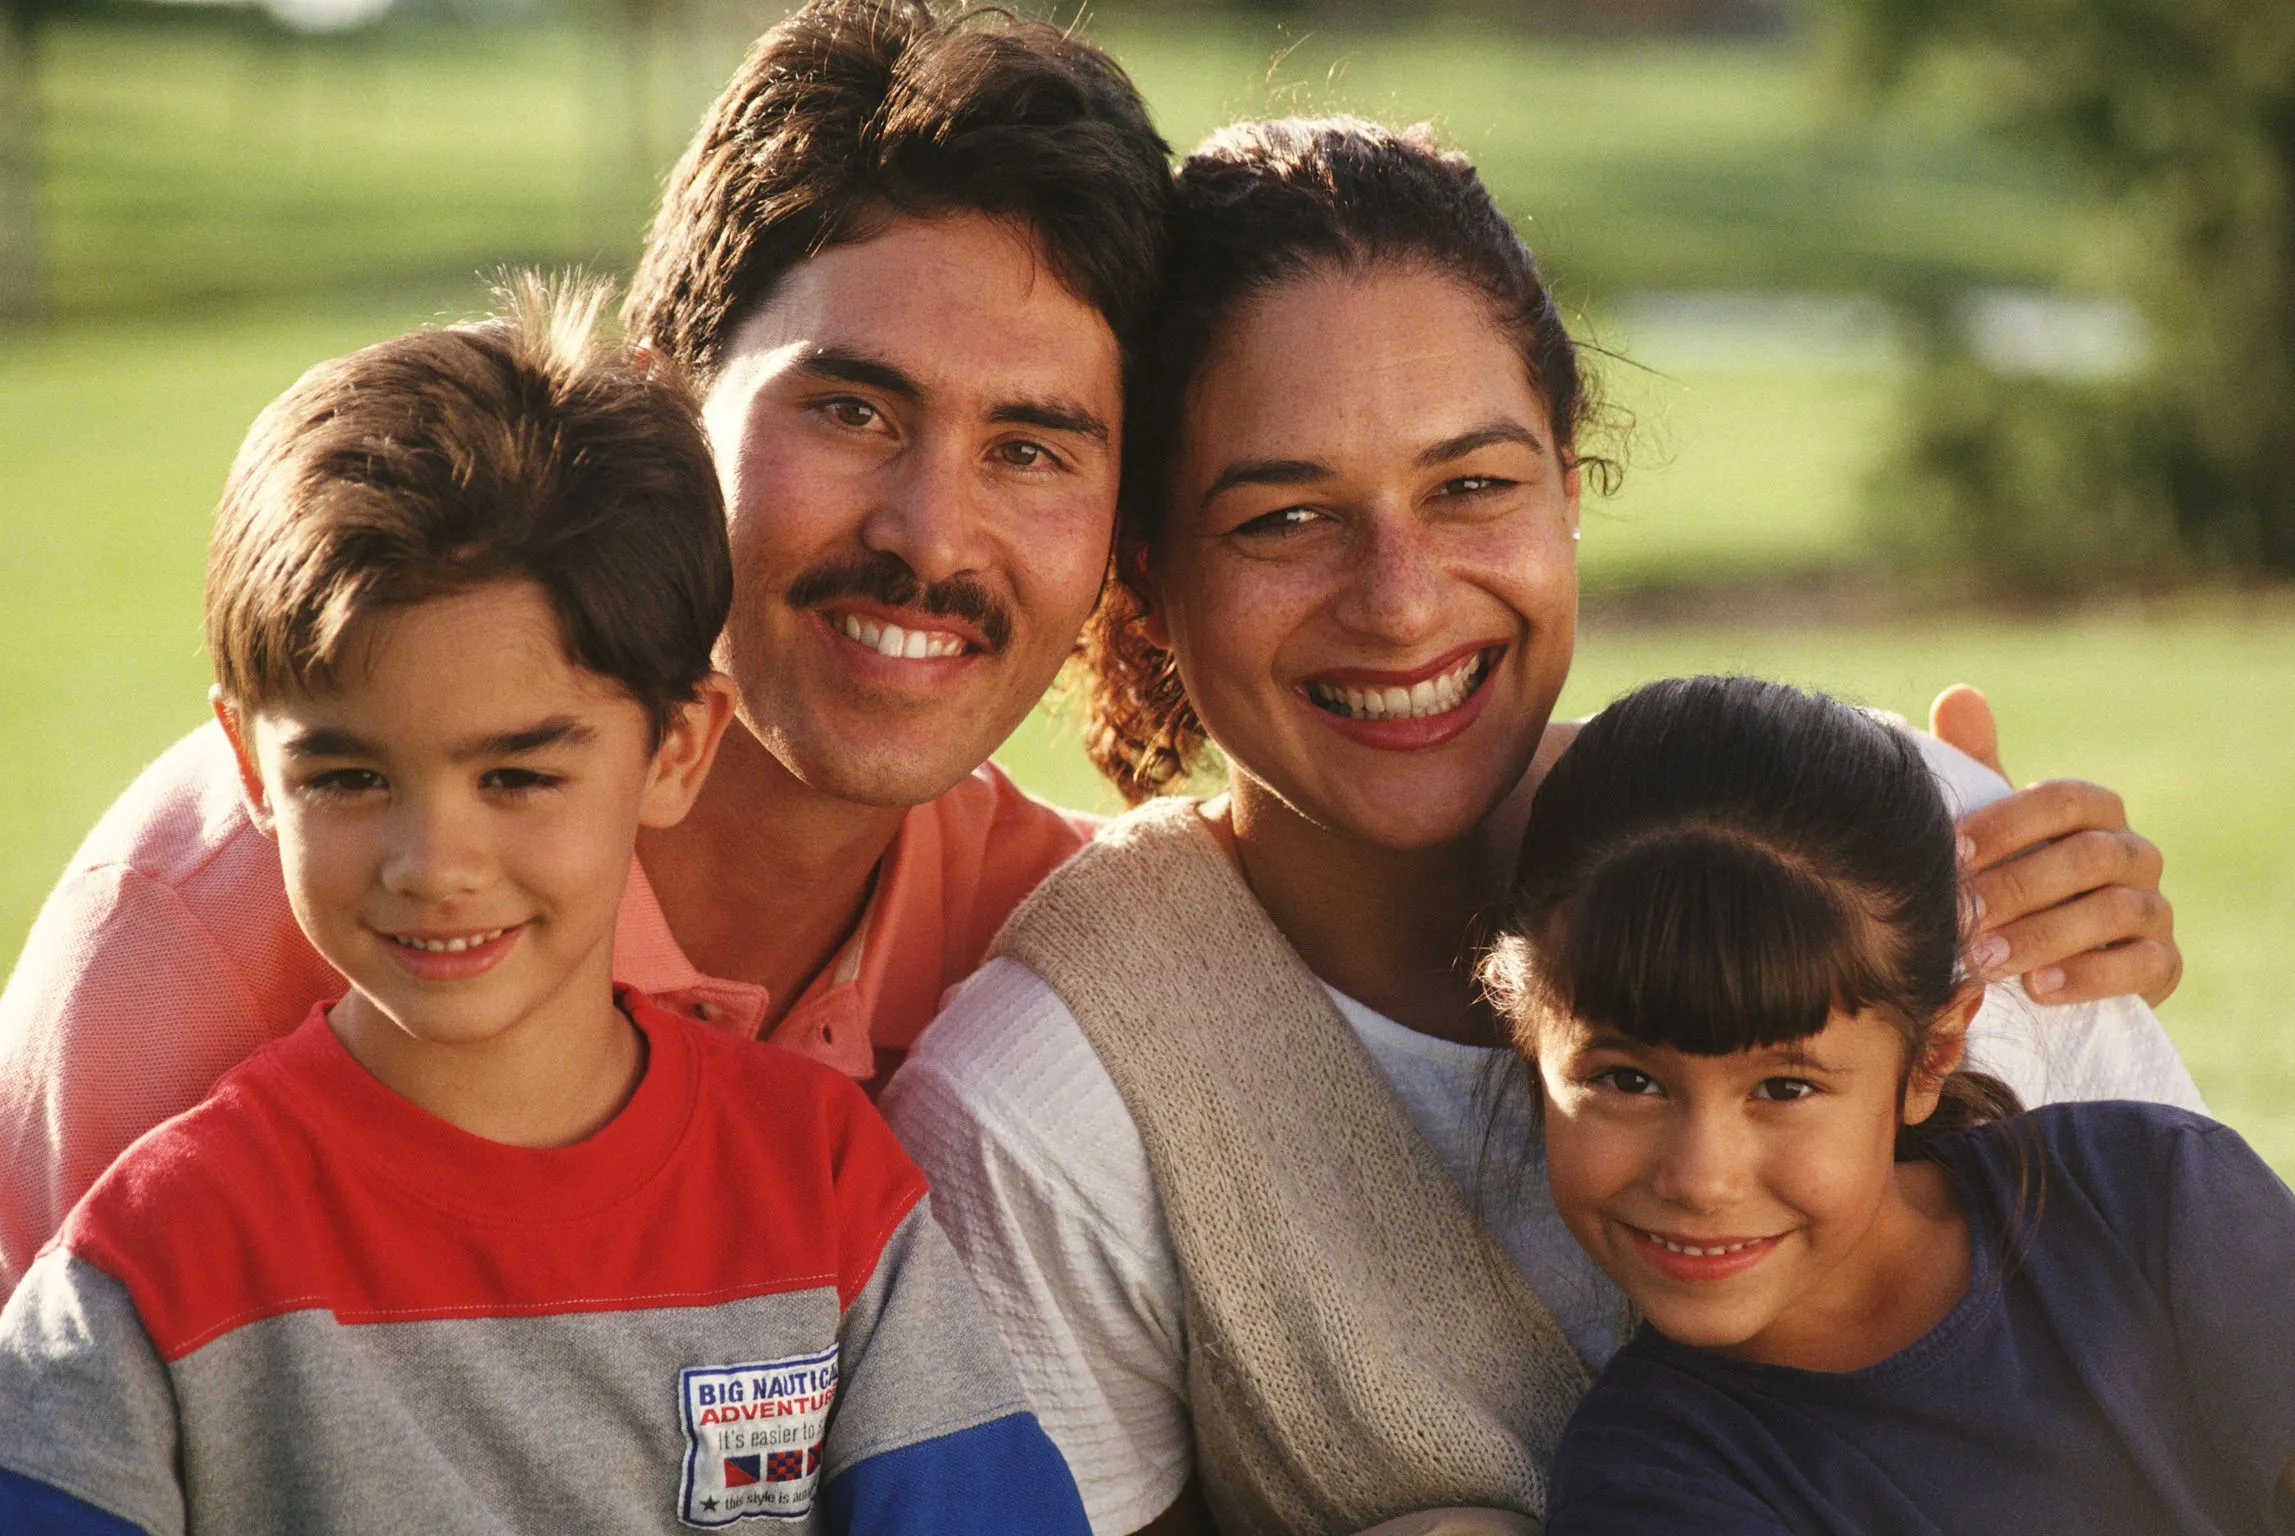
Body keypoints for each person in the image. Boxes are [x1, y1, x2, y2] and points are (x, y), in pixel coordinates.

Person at [880, 116, 2201, 1536]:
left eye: (1469, 488)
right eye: (1281, 519)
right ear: (1141, 573)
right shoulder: (1055, 1102)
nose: (1397, 597)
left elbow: (2213, 1388)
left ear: (1569, 489)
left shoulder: (1919, 862)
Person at [0, 0, 1172, 1296]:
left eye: (1028, 450)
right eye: (849, 408)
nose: (932, 536)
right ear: (660, 404)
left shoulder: (1063, 952)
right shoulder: (233, 911)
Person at [0, 284, 1090, 1535]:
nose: (433, 863)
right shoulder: (157, 1256)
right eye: (350, 777)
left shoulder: (824, 1188)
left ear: (678, 750)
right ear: (251, 769)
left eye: (519, 775)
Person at [1488, 674, 2295, 1535]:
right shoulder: (1648, 1479)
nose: (1701, 1177)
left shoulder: (2149, 1196)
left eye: (1784, 1088)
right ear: (1530, 1044)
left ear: (1930, 1058)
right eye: (1628, 1080)